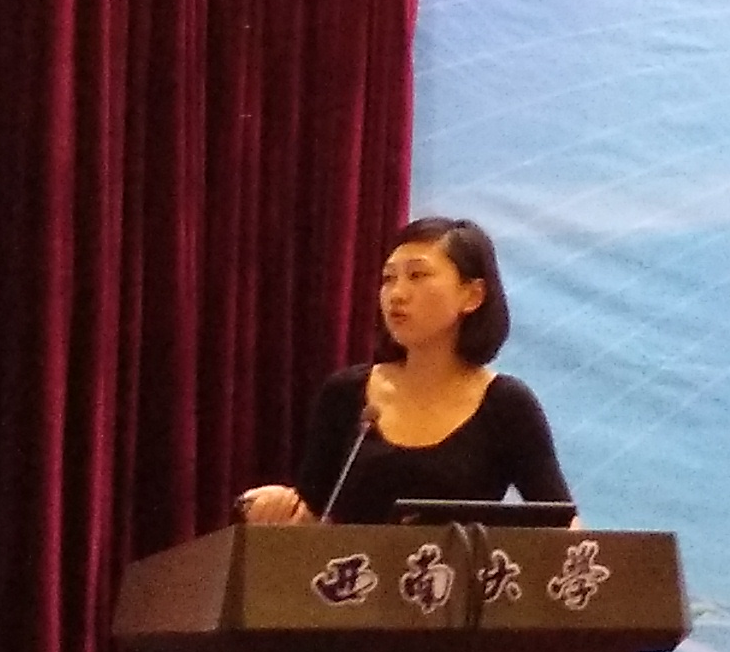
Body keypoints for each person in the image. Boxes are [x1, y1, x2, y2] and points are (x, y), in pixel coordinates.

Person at [233, 216, 571, 524]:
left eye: (417, 275)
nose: (396, 294)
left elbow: (562, 525)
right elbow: (313, 518)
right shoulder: (347, 394)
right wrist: (279, 508)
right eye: (388, 279)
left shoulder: (507, 405)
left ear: (472, 295)